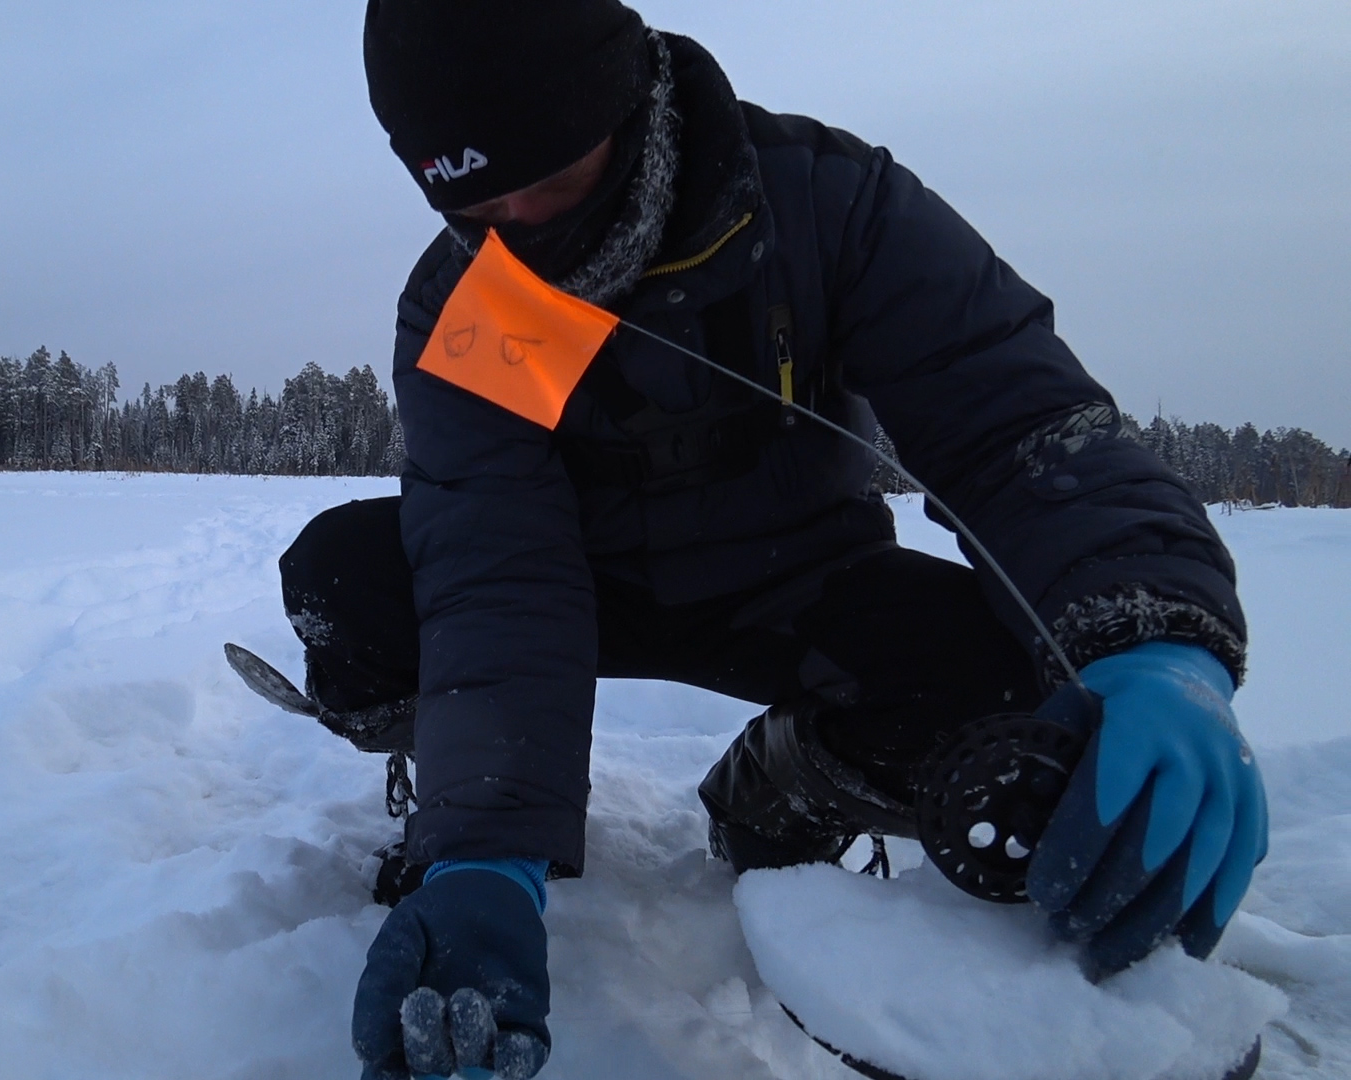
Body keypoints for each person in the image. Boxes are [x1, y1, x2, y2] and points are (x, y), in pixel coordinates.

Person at [276, 3, 1269, 1078]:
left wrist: (1152, 642)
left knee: (1015, 690)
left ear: (617, 94)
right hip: (578, 592)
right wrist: (481, 853)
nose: (516, 223)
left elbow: (1015, 429)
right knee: (353, 580)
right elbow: (495, 567)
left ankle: (782, 784)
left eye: (547, 174)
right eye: (471, 198)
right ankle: (464, 784)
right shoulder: (482, 305)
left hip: (794, 587)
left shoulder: (827, 204)